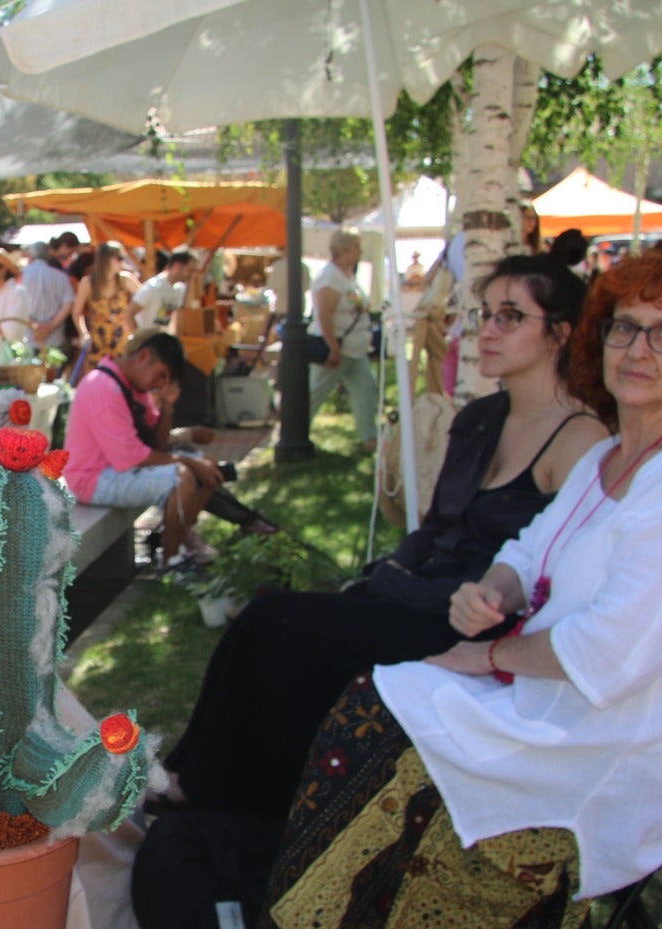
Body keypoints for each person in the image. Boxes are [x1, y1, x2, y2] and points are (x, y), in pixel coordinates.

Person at [183, 251, 662, 929]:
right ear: (598, 342)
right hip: (562, 697)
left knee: (381, 714)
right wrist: (488, 592)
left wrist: (486, 659)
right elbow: (530, 548)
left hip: (628, 739)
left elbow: (613, 650)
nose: (639, 350)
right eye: (626, 329)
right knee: (372, 703)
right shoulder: (615, 457)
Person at [162, 254, 607, 817]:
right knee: (264, 623)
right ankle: (199, 783)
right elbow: (437, 527)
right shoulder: (479, 418)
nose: (487, 330)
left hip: (468, 629)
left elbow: (554, 572)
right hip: (414, 597)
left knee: (281, 630)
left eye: (511, 317)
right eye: (485, 314)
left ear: (559, 335)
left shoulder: (578, 438)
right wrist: (392, 573)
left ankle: (212, 796)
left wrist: (404, 587)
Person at [63, 329, 225, 565]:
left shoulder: (134, 386)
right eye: (161, 376)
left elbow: (157, 445)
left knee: (207, 466)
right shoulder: (102, 386)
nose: (160, 385)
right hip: (91, 479)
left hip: (117, 470)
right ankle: (172, 563)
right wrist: (189, 462)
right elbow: (130, 456)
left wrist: (168, 407)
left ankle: (179, 541)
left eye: (166, 382)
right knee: (183, 477)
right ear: (144, 357)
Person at [308, 228, 378, 453]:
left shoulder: (347, 276)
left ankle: (370, 437)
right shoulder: (330, 278)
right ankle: (296, 434)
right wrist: (333, 347)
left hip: (355, 349)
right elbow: (323, 315)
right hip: (336, 349)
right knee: (314, 393)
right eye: (356, 248)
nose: (359, 252)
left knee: (366, 390)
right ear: (343, 251)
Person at [71, 241, 140, 377]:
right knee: (96, 380)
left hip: (121, 340)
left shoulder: (125, 279)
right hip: (98, 340)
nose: (122, 262)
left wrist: (134, 325)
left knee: (122, 379)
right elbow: (76, 312)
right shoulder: (88, 283)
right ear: (107, 259)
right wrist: (83, 333)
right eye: (119, 258)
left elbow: (145, 300)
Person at [21, 239, 74, 352]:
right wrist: (49, 327)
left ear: (30, 255)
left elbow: (17, 304)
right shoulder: (61, 277)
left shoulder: (22, 275)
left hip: (30, 339)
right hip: (54, 340)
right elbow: (68, 304)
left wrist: (36, 326)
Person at [126, 250, 195, 333]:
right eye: (190, 270)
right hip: (146, 341)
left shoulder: (180, 288)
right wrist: (140, 340)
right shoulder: (153, 287)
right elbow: (130, 314)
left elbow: (173, 315)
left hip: (162, 341)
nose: (192, 274)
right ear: (177, 266)